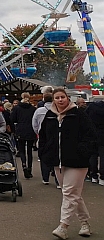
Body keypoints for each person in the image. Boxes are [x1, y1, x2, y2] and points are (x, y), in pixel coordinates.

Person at [38, 88, 97, 239]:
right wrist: (44, 151)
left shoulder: (78, 115)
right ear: (53, 99)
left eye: (62, 97)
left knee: (69, 193)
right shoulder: (49, 116)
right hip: (57, 161)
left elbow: (90, 135)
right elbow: (43, 135)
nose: (60, 100)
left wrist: (83, 150)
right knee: (73, 194)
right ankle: (85, 223)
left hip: (77, 161)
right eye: (57, 97)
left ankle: (63, 226)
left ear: (67, 98)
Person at [33, 92, 59, 186]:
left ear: (43, 99)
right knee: (57, 156)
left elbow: (34, 124)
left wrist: (38, 133)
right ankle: (58, 180)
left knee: (44, 156)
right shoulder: (58, 110)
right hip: (56, 135)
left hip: (42, 136)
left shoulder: (39, 111)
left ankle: (45, 178)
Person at [11, 92, 37, 179]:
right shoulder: (33, 108)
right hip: (31, 129)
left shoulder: (16, 108)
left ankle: (24, 165)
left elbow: (12, 119)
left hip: (20, 130)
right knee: (29, 151)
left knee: (21, 150)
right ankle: (29, 168)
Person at [85, 96, 104, 185]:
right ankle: (102, 177)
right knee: (103, 156)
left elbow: (85, 118)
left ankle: (93, 175)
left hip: (92, 134)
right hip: (102, 135)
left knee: (93, 155)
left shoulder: (92, 107)